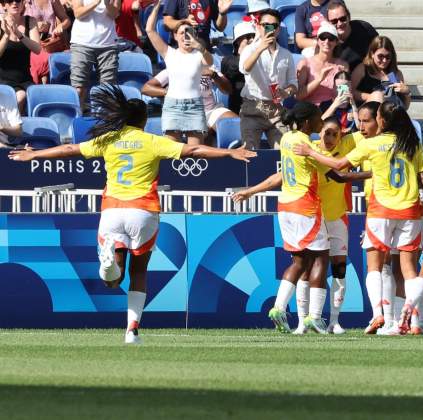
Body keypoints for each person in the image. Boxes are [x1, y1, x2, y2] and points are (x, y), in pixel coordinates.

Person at [8, 84, 256, 344]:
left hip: (113, 210)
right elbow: (193, 150)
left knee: (113, 282)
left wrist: (34, 154)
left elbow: (70, 150)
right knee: (139, 272)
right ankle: (132, 330)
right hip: (143, 210)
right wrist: (229, 151)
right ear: (144, 120)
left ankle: (109, 264)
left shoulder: (108, 140)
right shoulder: (152, 141)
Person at [294, 101, 423, 336]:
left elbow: (340, 166)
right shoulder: (413, 144)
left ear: (382, 121)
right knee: (409, 269)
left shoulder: (373, 144)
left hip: (381, 211)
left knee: (375, 266)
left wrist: (311, 152)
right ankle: (410, 318)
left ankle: (379, 314)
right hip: (410, 211)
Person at [233, 117, 367, 334]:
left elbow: (373, 131)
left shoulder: (346, 145)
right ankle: (304, 321)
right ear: (318, 132)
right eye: (326, 132)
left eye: (334, 133)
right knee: (306, 267)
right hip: (314, 215)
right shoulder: (308, 149)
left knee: (338, 270)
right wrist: (252, 190)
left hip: (337, 217)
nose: (329, 137)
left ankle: (334, 320)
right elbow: (282, 176)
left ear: (341, 135)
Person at [265, 101, 332, 334]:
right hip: (306, 206)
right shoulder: (307, 145)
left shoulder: (287, 138)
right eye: (318, 119)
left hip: (286, 205)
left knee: (299, 262)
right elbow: (337, 173)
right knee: (322, 258)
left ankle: (278, 307)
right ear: (306, 122)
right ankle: (314, 317)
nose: (321, 123)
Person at [146, 0, 213, 145]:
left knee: (196, 154)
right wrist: (157, 7)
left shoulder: (198, 53)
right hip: (172, 106)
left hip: (195, 106)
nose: (185, 36)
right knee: (172, 153)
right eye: (181, 33)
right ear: (175, 36)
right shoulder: (169, 53)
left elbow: (209, 62)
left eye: (189, 32)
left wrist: (199, 46)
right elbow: (150, 30)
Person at [239, 8, 297, 149]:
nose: (269, 29)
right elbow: (244, 68)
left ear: (278, 29)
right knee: (250, 152)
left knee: (285, 151)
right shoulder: (250, 49)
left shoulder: (286, 54)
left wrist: (286, 92)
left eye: (274, 25)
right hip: (253, 107)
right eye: (265, 25)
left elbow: (293, 84)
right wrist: (260, 48)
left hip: (276, 109)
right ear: (258, 26)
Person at [141, 65, 237, 134]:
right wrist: (169, 92)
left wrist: (215, 76)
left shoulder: (209, 67)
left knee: (238, 126)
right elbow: (146, 88)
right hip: (186, 113)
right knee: (203, 134)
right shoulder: (173, 70)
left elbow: (228, 90)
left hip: (211, 110)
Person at [0, 0, 42, 113]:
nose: (14, 3)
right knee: (21, 96)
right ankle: (11, 128)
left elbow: (37, 49)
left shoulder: (30, 21)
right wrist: (6, 35)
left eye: (18, 0)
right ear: (4, 5)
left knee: (36, 96)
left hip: (25, 79)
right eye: (9, 0)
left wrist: (19, 33)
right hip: (3, 79)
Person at [296, 22, 348, 106]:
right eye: (323, 37)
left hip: (333, 109)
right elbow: (298, 96)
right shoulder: (305, 63)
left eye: (331, 38)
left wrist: (341, 84)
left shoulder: (342, 65)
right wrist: (319, 79)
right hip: (311, 111)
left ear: (336, 42)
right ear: (317, 40)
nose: (326, 41)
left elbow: (344, 97)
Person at [351, 35, 410, 109]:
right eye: (380, 56)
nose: (384, 60)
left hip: (388, 115)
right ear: (372, 54)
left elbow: (405, 107)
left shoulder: (396, 74)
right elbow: (350, 91)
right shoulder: (362, 69)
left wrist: (407, 93)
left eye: (388, 57)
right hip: (365, 112)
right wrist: (375, 97)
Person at [25, 0, 72, 84]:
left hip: (51, 44)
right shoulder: (24, 2)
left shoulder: (52, 1)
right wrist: (34, 26)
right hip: (32, 45)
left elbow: (66, 20)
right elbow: (17, 21)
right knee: (43, 59)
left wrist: (61, 26)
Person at [326, 0, 378, 72]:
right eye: (334, 21)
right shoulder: (326, 40)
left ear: (349, 17)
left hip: (369, 74)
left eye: (343, 19)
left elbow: (383, 54)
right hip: (342, 79)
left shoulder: (364, 29)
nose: (339, 24)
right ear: (329, 23)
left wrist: (393, 80)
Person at [163, 0, 232, 50]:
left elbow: (220, 28)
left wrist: (222, 13)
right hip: (181, 50)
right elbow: (167, 24)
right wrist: (185, 21)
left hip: (204, 50)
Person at [221, 21, 255, 114]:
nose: (252, 40)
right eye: (248, 37)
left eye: (254, 37)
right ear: (238, 41)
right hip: (239, 107)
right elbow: (239, 67)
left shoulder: (260, 57)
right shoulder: (228, 60)